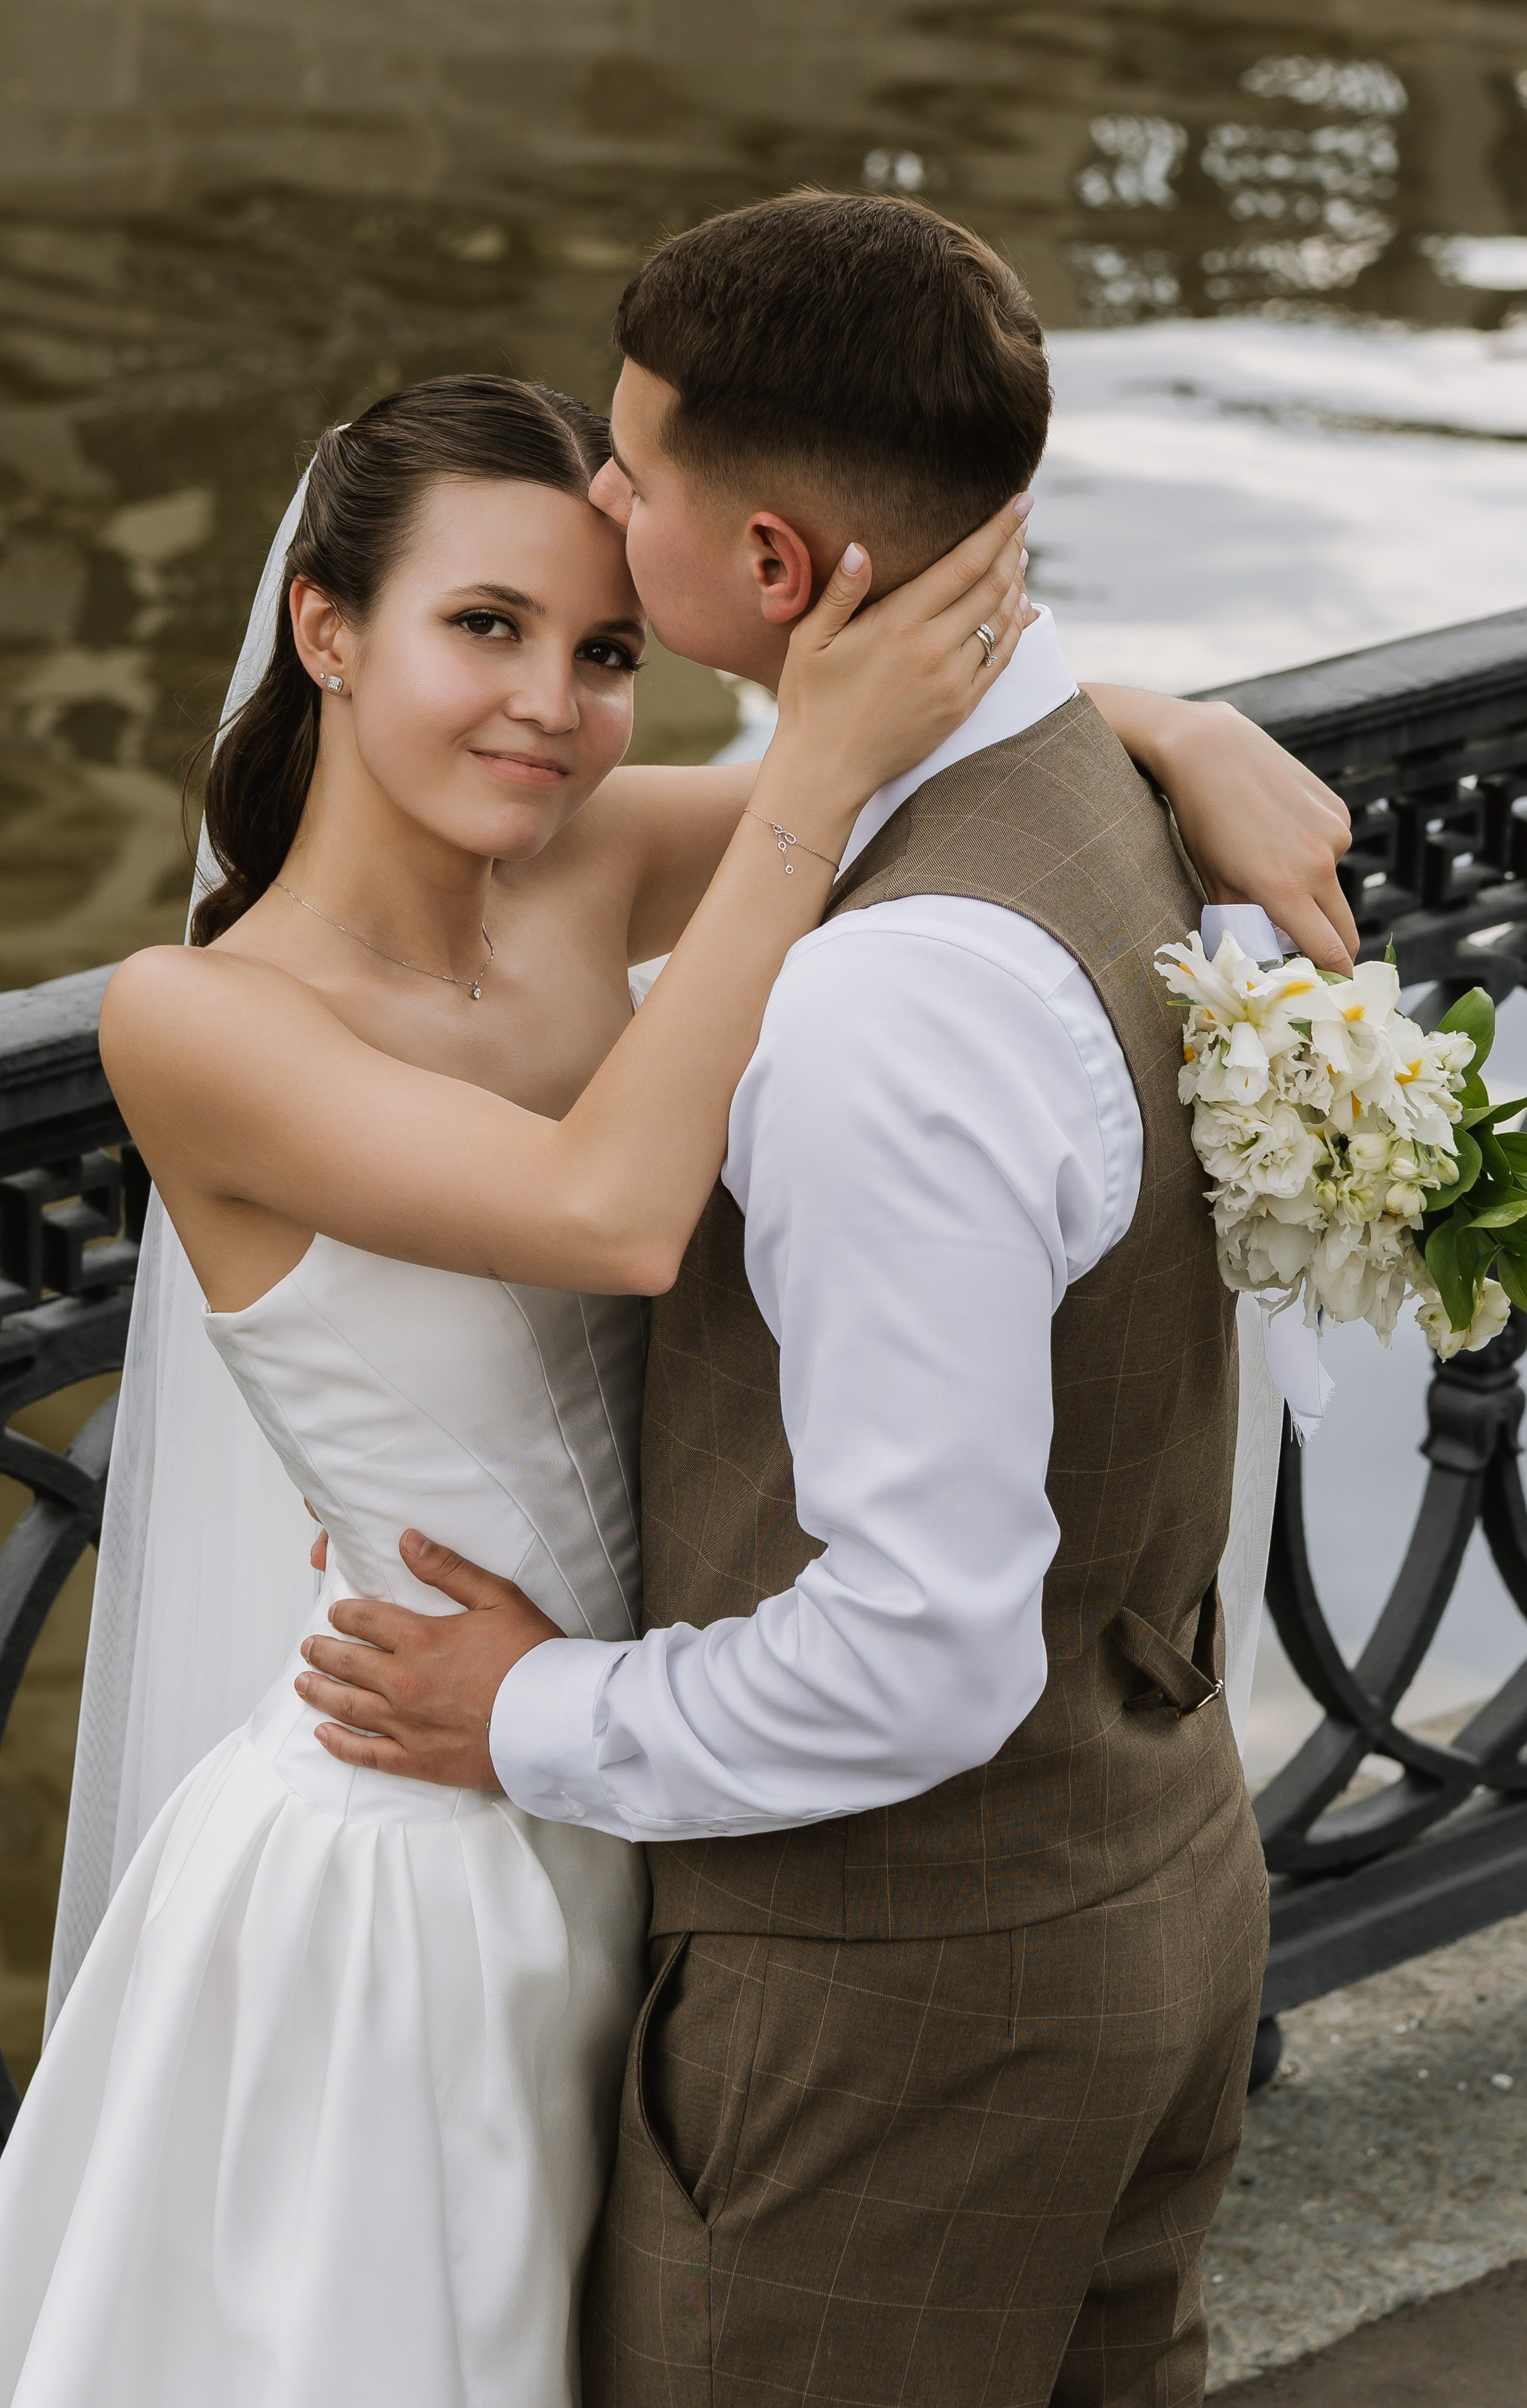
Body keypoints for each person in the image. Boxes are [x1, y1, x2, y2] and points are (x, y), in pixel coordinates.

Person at [289, 198, 1357, 2406]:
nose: (601, 492)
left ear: (773, 572)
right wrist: (1174, 714)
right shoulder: (1081, 793)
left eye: (637, 473)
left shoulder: (876, 1008)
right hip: (1151, 1874)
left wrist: (523, 1721)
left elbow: (919, 1648)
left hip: (899, 2014)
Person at [0, 371, 1040, 2407]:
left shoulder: (577, 867)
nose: (551, 707)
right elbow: (612, 1212)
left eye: (608, 652)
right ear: (327, 631)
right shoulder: (200, 1016)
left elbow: (963, 762)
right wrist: (809, 772)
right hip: (400, 1861)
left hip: (625, 1775)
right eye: (485, 626)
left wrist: (1199, 742)